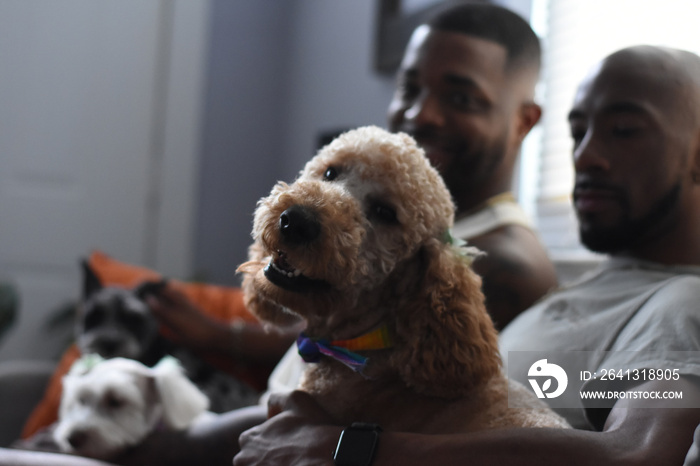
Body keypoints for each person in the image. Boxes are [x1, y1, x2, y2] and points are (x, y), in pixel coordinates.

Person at [0, 3, 557, 465]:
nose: (420, 113)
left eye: (461, 98)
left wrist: (174, 436)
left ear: (524, 120)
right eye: (410, 86)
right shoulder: (401, 212)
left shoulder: (496, 258)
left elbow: (367, 395)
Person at [232, 45, 700, 466]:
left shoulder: (681, 304)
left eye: (624, 130)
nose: (587, 154)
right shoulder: (589, 299)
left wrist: (349, 448)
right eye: (577, 132)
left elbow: (638, 454)